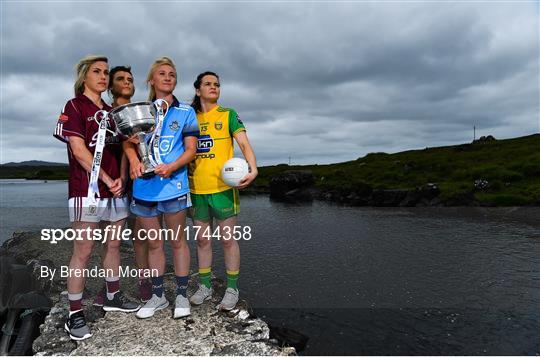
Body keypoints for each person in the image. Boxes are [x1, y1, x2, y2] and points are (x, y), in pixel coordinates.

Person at [53, 55, 139, 341]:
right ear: (84, 76)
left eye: (105, 72)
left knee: (113, 245)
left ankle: (111, 296)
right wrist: (105, 179)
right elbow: (78, 150)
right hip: (86, 190)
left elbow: (124, 149)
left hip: (114, 191)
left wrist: (121, 181)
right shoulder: (74, 105)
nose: (103, 76)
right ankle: (74, 313)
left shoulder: (113, 112)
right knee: (84, 250)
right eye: (96, 72)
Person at [123, 57, 199, 319]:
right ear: (151, 80)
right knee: (154, 244)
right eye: (162, 74)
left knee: (177, 241)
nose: (168, 78)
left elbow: (191, 150)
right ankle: (158, 297)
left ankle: (180, 295)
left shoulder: (185, 111)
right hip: (144, 188)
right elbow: (128, 142)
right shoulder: (140, 110)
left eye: (172, 74)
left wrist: (173, 165)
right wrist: (133, 158)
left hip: (174, 186)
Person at [188, 71, 258, 310]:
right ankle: (205, 286)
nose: (213, 87)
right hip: (197, 188)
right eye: (208, 84)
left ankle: (231, 288)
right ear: (198, 90)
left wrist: (253, 167)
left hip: (223, 189)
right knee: (202, 241)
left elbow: (244, 143)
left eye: (216, 84)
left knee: (228, 240)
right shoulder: (190, 117)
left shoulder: (228, 114)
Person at [92, 66, 153, 307]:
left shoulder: (142, 112)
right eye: (120, 79)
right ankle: (108, 289)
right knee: (110, 241)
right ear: (110, 85)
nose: (127, 82)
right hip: (111, 185)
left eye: (130, 79)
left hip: (139, 181)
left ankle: (144, 283)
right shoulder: (103, 115)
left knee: (142, 237)